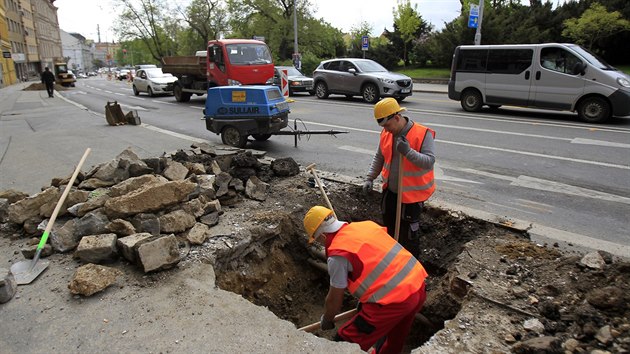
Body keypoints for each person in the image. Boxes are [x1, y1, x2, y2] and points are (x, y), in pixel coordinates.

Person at [303, 206, 428, 354]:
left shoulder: (338, 255)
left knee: (344, 342)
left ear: (323, 236)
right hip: (418, 285)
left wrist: (328, 318)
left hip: (394, 302)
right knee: (395, 337)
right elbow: (377, 262)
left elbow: (335, 299)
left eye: (317, 240)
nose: (320, 243)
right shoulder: (365, 226)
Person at [362, 98, 436, 259]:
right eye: (383, 127)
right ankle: (392, 264)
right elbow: (379, 156)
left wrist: (408, 152)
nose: (386, 130)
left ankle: (412, 272)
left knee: (408, 237)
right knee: (388, 231)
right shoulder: (386, 133)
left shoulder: (423, 134)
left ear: (396, 117)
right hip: (391, 192)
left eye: (387, 125)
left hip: (411, 198)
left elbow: (429, 162)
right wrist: (370, 177)